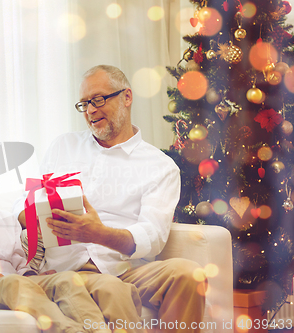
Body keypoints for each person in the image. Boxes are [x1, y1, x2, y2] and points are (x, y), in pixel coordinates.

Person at [15, 65, 206, 333]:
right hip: (67, 272)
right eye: (84, 104)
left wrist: (99, 234)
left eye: (98, 99)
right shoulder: (63, 146)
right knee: (111, 289)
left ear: (126, 97)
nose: (91, 111)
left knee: (188, 274)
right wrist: (35, 215)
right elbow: (20, 207)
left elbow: (152, 236)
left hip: (124, 269)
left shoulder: (159, 166)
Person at [0, 146, 120, 333]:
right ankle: (69, 330)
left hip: (11, 282)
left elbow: (18, 260)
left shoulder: (5, 219)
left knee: (66, 279)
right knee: (13, 283)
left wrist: (32, 277)